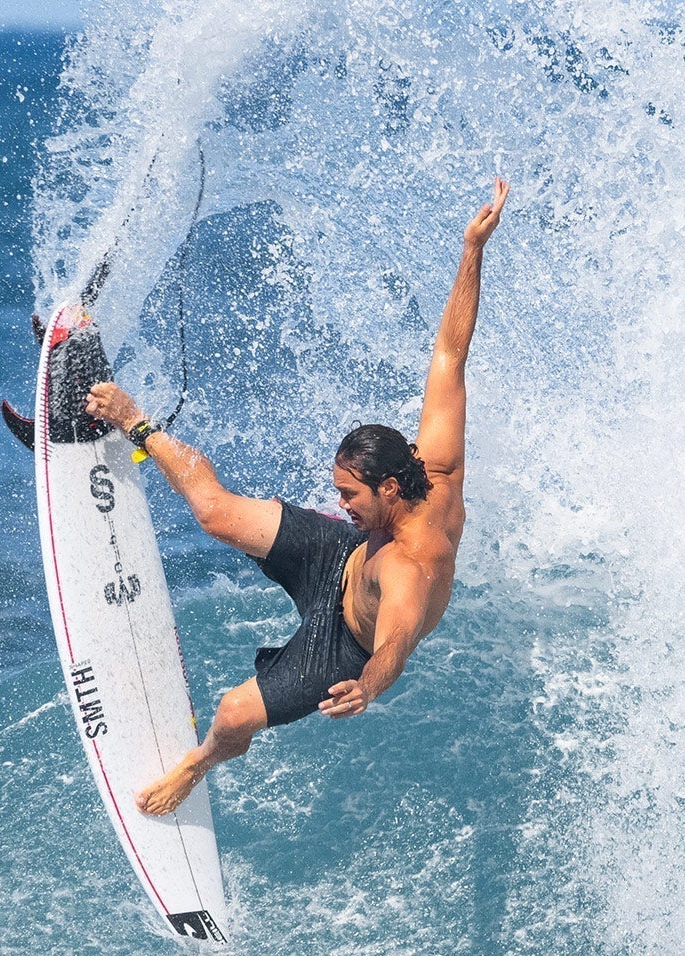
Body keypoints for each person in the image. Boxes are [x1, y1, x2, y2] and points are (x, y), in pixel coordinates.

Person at [84, 179, 509, 815]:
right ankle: (135, 422)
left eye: (349, 495)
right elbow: (451, 353)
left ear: (390, 488)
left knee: (232, 714)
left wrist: (365, 686)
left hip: (346, 641)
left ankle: (198, 765)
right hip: (344, 561)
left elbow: (395, 642)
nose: (338, 503)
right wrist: (472, 248)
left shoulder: (413, 563)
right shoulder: (434, 467)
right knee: (215, 513)